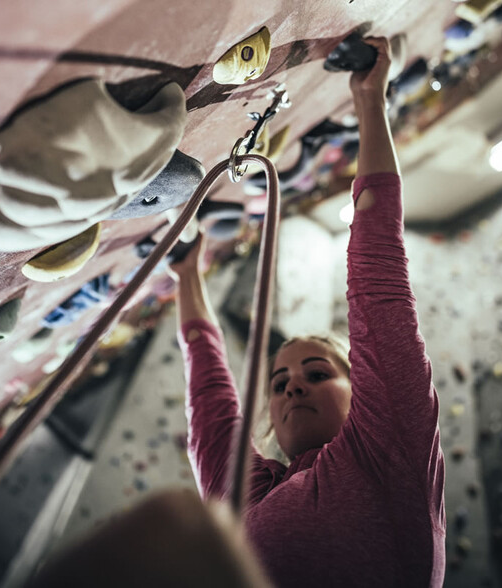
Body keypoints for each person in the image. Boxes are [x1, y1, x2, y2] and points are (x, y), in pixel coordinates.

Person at [168, 37, 446, 587]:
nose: (291, 387)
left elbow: (209, 406)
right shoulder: (393, 462)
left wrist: (185, 273)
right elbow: (378, 284)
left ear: (356, 386)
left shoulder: (254, 500)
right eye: (285, 381)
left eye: (312, 374)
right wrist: (370, 99)